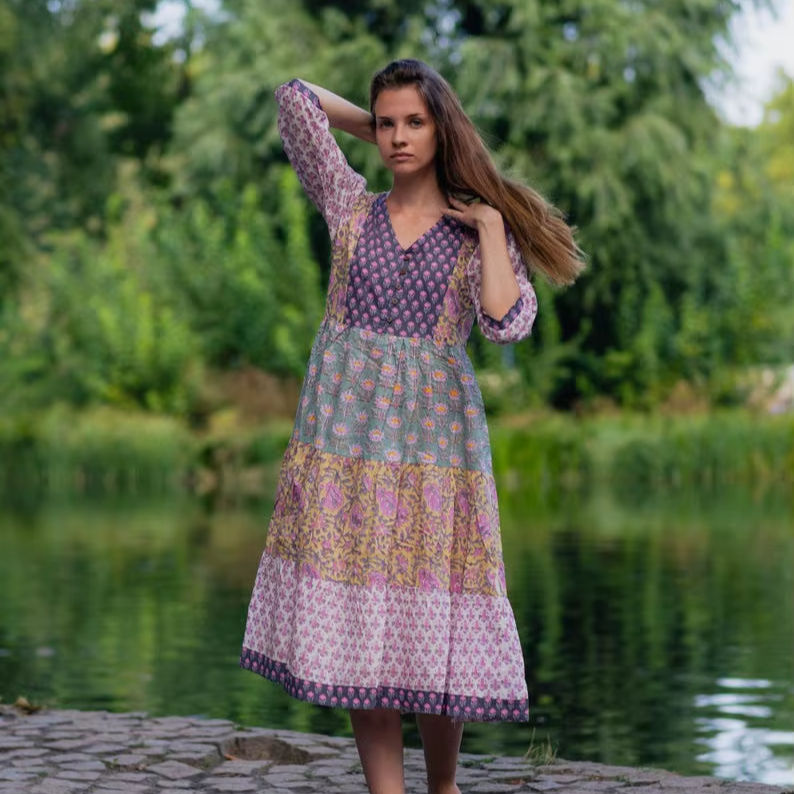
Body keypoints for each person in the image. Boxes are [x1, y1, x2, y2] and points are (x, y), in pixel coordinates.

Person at [240, 58, 585, 794]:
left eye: (415, 123)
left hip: (435, 457)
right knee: (363, 618)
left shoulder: (474, 233)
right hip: (346, 451)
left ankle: (443, 785)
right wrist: (373, 129)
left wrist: (490, 223)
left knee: (432, 617)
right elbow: (295, 99)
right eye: (388, 123)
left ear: (442, 129)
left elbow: (505, 323)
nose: (399, 137)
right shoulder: (349, 207)